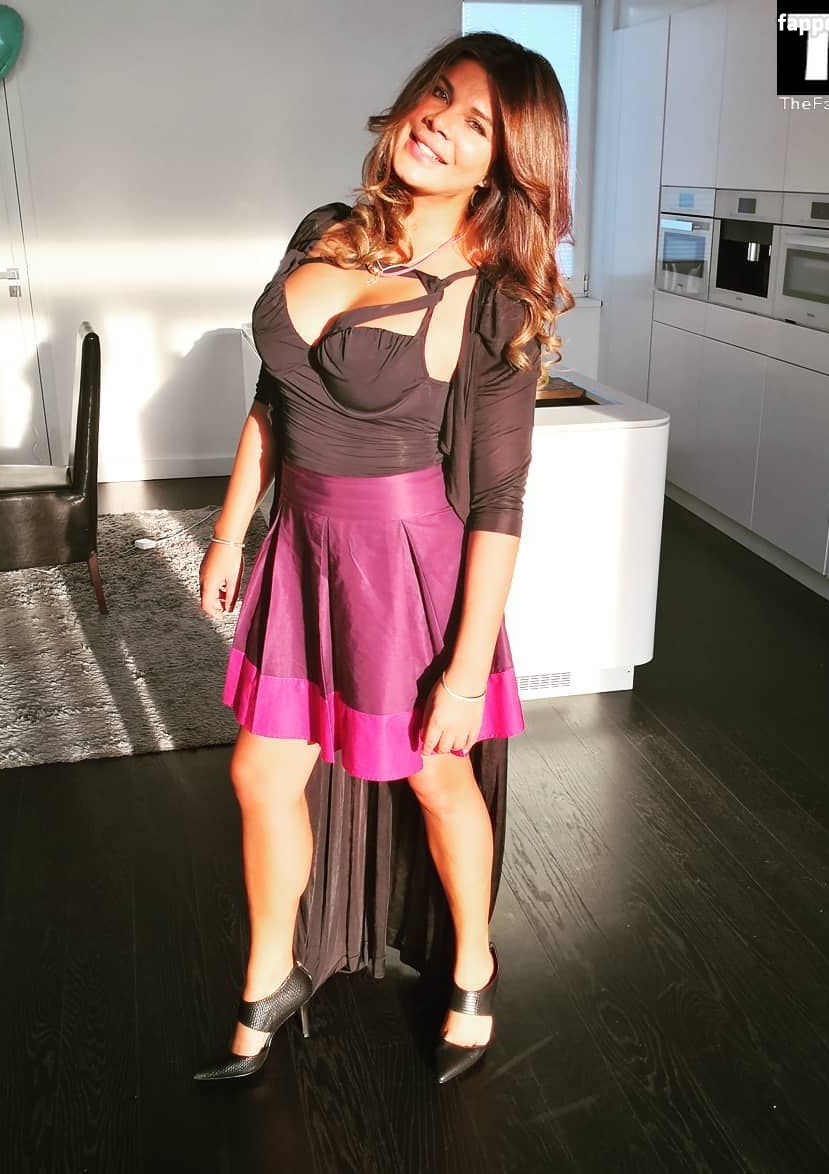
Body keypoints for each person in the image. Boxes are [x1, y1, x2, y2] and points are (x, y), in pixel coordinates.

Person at [193, 30, 573, 1086]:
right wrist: (230, 528)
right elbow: (274, 397)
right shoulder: (327, 230)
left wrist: (465, 671)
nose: (439, 125)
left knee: (436, 779)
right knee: (259, 770)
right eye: (436, 95)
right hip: (301, 547)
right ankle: (272, 974)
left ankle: (474, 965)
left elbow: (499, 500)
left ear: (504, 164)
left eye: (475, 124)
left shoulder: (493, 298)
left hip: (402, 567)